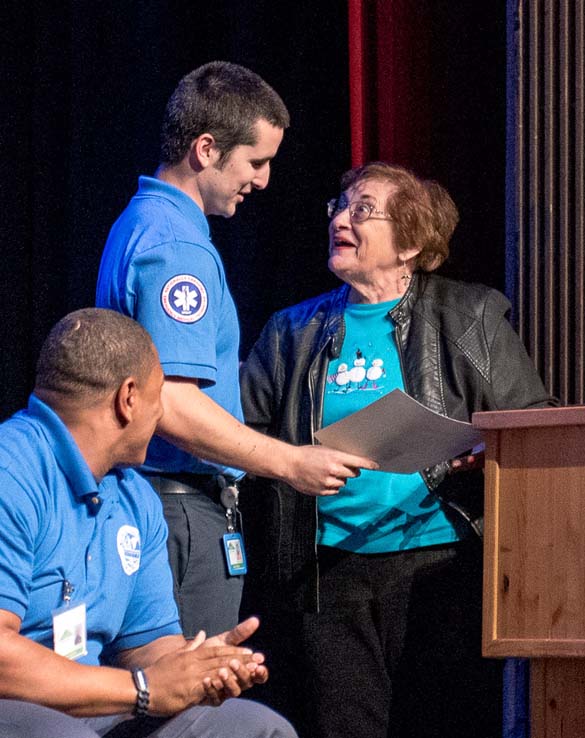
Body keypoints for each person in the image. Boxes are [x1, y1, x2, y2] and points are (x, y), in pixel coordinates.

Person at [238, 163, 557, 738]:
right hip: (328, 570)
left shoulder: (470, 317)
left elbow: (532, 426)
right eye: (340, 206)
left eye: (363, 209)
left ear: (410, 242)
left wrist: (483, 453)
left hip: (441, 565)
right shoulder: (291, 332)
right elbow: (238, 433)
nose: (341, 219)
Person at [96, 61, 375, 638]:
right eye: (256, 161)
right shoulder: (176, 244)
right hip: (177, 511)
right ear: (205, 149)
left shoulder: (146, 221)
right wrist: (291, 462)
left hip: (170, 506)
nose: (265, 179)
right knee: (183, 710)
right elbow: (172, 403)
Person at [0, 308, 297, 738]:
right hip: (17, 706)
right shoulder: (13, 472)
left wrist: (197, 667)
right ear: (129, 398)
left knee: (257, 729)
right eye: (160, 396)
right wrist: (142, 688)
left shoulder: (134, 496)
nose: (161, 416)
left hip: (99, 708)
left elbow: (145, 645)